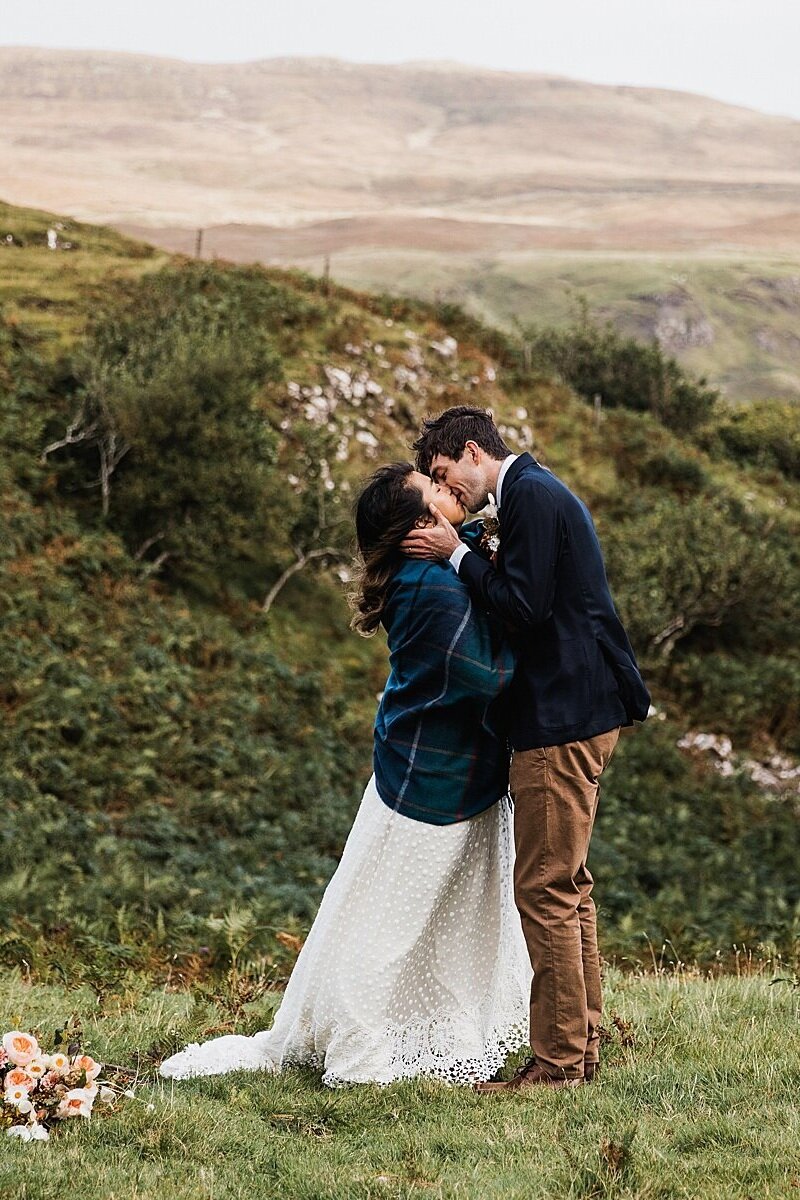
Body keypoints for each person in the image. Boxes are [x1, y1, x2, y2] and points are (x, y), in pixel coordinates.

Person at [159, 463, 531, 1087]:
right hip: (433, 784)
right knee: (391, 927)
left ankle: (433, 1034)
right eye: (434, 491)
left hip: (440, 772)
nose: (449, 492)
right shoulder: (432, 588)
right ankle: (360, 1053)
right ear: (420, 527)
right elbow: (491, 675)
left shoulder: (435, 572)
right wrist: (548, 633)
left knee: (432, 921)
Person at [402, 407, 650, 1090]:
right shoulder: (531, 496)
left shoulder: (533, 496)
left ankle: (558, 1064)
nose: (444, 486)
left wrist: (453, 554)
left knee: (545, 889)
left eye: (445, 472)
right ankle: (581, 1047)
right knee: (568, 888)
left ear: (474, 451)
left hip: (562, 718)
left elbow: (523, 607)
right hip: (576, 710)